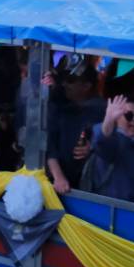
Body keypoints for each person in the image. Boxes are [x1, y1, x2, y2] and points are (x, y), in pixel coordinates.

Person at [45, 66, 104, 195]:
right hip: (60, 183)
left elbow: (112, 146)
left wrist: (92, 147)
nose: (65, 84)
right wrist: (58, 176)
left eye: (71, 80)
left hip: (91, 186)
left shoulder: (101, 110)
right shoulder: (59, 107)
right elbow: (50, 144)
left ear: (86, 86)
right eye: (64, 80)